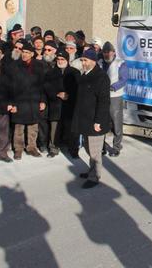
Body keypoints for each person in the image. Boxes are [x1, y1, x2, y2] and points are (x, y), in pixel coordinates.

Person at [72, 49, 110, 189]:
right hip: (84, 119)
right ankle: (91, 170)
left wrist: (98, 121)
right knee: (88, 148)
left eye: (85, 60)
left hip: (95, 121)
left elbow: (104, 102)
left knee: (95, 152)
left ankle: (95, 177)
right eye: (82, 60)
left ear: (93, 61)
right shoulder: (85, 74)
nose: (83, 63)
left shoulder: (101, 77)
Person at [8, 42, 45, 159]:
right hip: (19, 101)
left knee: (33, 126)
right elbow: (10, 86)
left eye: (27, 53)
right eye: (23, 52)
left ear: (32, 54)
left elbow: (42, 85)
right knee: (19, 127)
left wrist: (42, 100)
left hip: (34, 100)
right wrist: (12, 104)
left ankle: (32, 147)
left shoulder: (38, 66)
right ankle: (18, 149)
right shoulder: (15, 66)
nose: (24, 54)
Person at [44, 50, 78, 158]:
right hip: (55, 105)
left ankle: (73, 149)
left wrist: (68, 95)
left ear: (67, 60)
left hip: (70, 106)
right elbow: (47, 87)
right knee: (54, 128)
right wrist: (57, 94)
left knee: (71, 129)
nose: (60, 61)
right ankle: (53, 148)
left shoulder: (74, 72)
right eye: (58, 59)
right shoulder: (51, 73)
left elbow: (78, 89)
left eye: (62, 59)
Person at [100, 42, 127, 157]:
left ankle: (116, 146)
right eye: (104, 52)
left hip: (115, 96)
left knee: (116, 122)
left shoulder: (121, 63)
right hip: (102, 97)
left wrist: (113, 87)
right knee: (101, 121)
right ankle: (102, 146)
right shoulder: (100, 63)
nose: (106, 54)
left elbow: (124, 79)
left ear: (114, 52)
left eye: (109, 52)